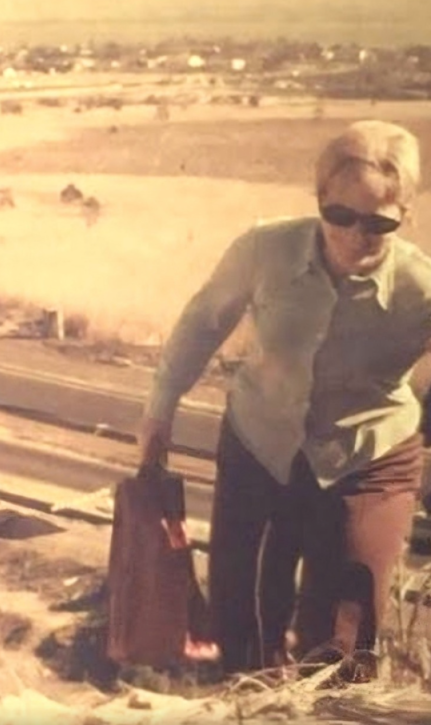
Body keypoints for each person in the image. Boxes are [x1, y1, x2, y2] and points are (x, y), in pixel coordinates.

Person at [138, 120, 431, 680]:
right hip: (262, 443)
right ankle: (251, 702)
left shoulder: (421, 288)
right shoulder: (264, 249)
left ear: (406, 215)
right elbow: (202, 322)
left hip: (368, 455)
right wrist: (159, 411)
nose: (354, 235)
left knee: (345, 623)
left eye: (378, 222)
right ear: (319, 200)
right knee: (242, 611)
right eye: (340, 215)